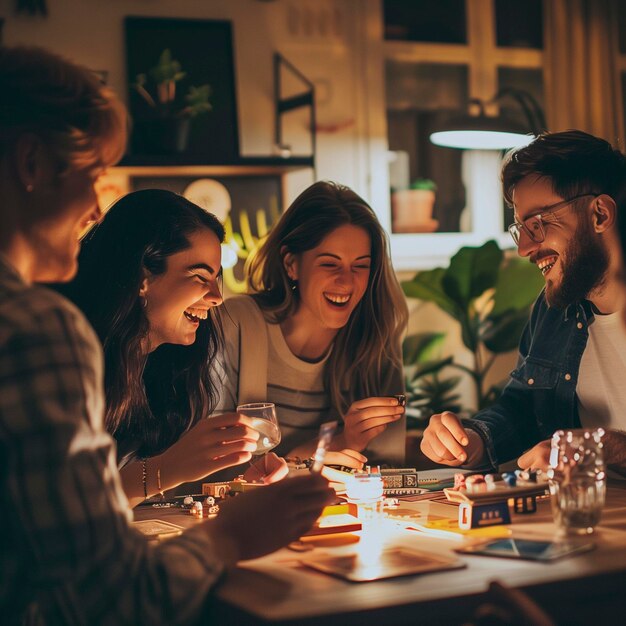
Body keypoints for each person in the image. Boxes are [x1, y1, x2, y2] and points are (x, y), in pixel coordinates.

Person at [0, 45, 333, 626]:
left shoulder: (178, 365)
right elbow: (111, 600)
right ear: (30, 164)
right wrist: (230, 536)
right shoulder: (35, 331)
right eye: (92, 176)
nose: (93, 207)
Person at [59, 189, 287, 507]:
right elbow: (66, 507)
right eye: (199, 276)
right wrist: (166, 469)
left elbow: (135, 496)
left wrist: (240, 483)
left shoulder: (166, 368)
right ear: (143, 276)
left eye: (216, 280)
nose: (217, 297)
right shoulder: (66, 359)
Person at [420, 130, 626, 474]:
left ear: (600, 215)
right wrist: (474, 439)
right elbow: (524, 409)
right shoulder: (553, 311)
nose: (525, 249)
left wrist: (608, 448)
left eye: (538, 224)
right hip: (585, 515)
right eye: (520, 229)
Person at [215, 180, 408, 467]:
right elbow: (216, 470)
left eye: (361, 265)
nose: (346, 280)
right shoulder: (235, 324)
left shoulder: (376, 343)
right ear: (291, 264)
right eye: (329, 264)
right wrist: (343, 441)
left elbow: (389, 473)